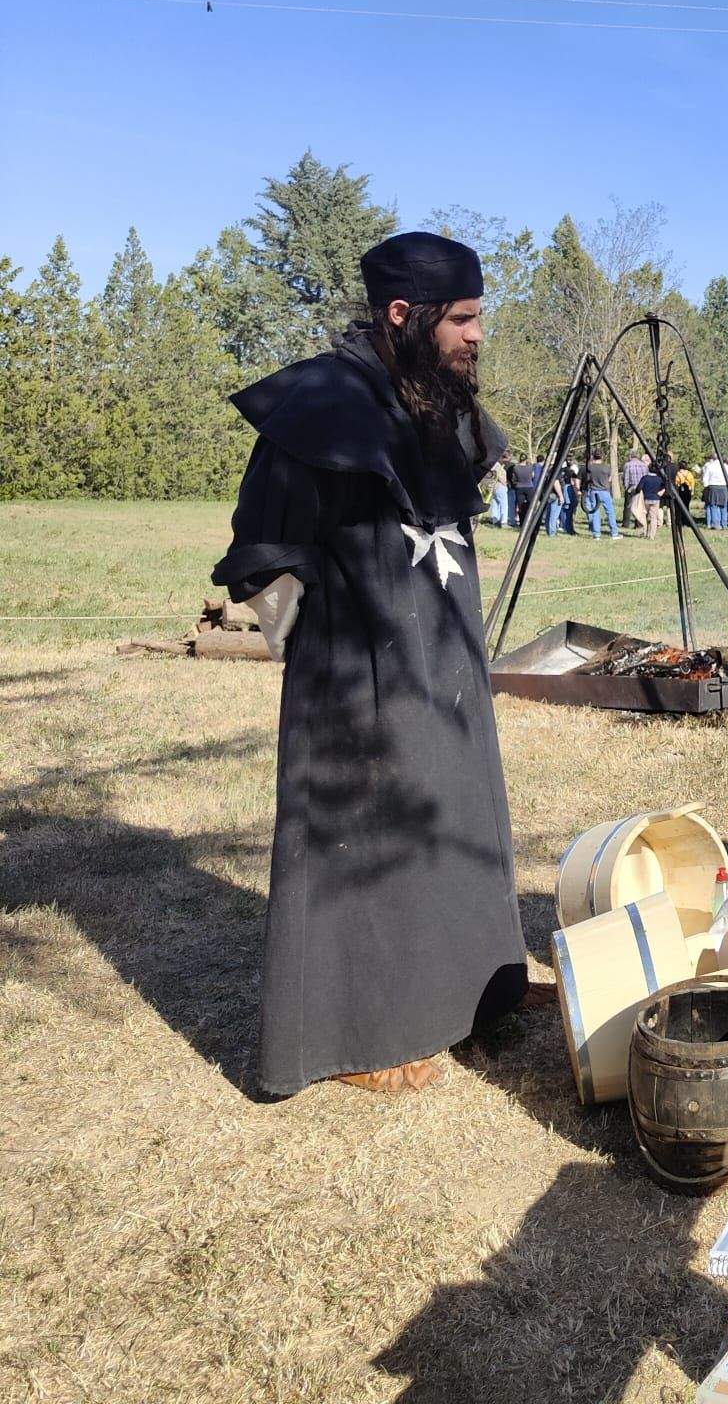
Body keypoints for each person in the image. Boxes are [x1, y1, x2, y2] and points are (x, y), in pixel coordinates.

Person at [211, 231, 529, 1097]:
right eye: (462, 318)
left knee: (455, 803)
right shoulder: (323, 403)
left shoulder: (434, 396)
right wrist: (318, 653)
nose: (476, 334)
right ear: (404, 312)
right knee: (366, 828)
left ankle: (470, 996)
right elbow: (266, 554)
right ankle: (364, 1034)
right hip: (357, 663)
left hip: (442, 655)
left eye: (477, 316)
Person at [584, 453, 621, 539]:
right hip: (604, 491)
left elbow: (588, 476)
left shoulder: (590, 467)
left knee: (595, 512)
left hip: (594, 491)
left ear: (594, 457)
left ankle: (596, 534)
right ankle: (614, 533)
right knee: (610, 512)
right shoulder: (606, 467)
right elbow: (610, 478)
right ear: (602, 457)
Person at [639, 455, 667, 539]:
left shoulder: (645, 478)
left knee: (645, 516)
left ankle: (645, 532)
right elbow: (665, 485)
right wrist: (661, 492)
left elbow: (638, 488)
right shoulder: (659, 479)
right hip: (656, 499)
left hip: (646, 499)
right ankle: (652, 535)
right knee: (654, 518)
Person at [701, 454, 728, 529]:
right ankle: (724, 524)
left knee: (713, 506)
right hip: (723, 486)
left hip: (713, 487)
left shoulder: (710, 466)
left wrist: (706, 486)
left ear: (712, 458)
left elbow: (705, 478)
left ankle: (716, 524)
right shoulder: (725, 466)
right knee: (723, 506)